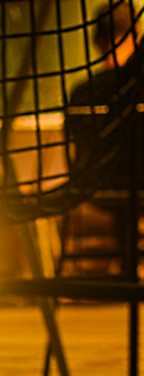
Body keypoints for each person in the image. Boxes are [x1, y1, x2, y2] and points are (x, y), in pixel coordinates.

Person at [66, 1, 143, 273]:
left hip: (96, 184)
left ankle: (127, 264)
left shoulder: (83, 92)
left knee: (122, 176)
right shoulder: (138, 87)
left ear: (96, 40)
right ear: (136, 33)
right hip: (138, 181)